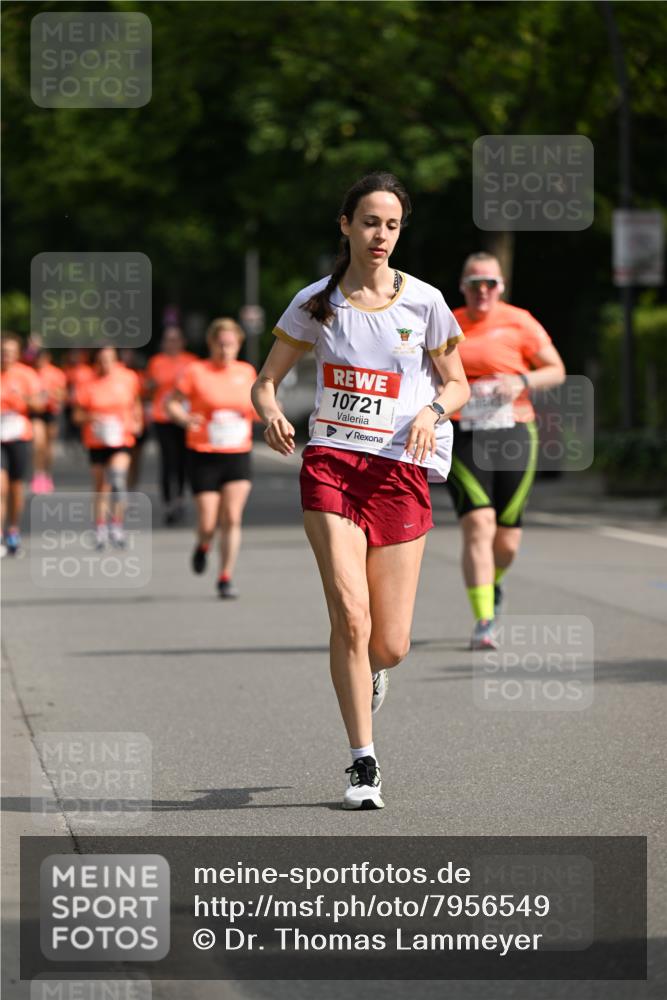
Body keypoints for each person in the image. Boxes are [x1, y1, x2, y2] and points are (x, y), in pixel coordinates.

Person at [251, 172, 470, 810]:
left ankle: (373, 669)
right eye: (370, 221)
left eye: (393, 225)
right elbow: (267, 379)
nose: (381, 235)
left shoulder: (425, 302)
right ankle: (363, 763)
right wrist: (269, 411)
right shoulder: (317, 301)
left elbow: (457, 383)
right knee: (349, 613)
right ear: (345, 225)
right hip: (332, 465)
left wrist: (433, 414)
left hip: (400, 471)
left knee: (390, 642)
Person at [446, 252, 566, 650]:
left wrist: (520, 380)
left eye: (490, 283)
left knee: (507, 540)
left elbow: (556, 369)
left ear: (501, 287)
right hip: (463, 433)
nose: (483, 290)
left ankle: (492, 584)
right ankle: (483, 620)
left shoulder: (520, 320)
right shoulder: (448, 322)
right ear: (463, 286)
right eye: (475, 283)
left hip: (514, 433)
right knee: (477, 524)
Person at [167, 318, 256, 598]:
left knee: (231, 517)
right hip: (204, 453)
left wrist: (272, 414)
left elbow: (257, 404)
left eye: (230, 344)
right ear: (211, 344)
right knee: (208, 522)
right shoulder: (196, 371)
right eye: (220, 344)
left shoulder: (247, 371)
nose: (225, 349)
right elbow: (171, 402)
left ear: (239, 345)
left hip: (238, 454)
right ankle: (203, 544)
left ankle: (225, 576)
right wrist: (183, 418)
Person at [72, 345, 143, 550]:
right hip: (96, 439)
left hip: (121, 437)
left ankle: (117, 525)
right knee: (101, 486)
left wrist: (138, 421)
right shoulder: (86, 383)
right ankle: (101, 528)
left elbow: (135, 402)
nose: (106, 364)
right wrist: (90, 417)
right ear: (96, 361)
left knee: (118, 479)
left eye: (110, 359)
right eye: (101, 360)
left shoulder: (128, 377)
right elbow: (76, 415)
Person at [145, 326, 197, 524]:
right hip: (163, 416)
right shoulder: (156, 362)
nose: (172, 343)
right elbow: (148, 388)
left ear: (182, 342)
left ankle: (180, 498)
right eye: (168, 339)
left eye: (175, 339)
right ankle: (168, 502)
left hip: (185, 417)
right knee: (168, 461)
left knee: (184, 461)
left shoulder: (191, 362)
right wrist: (150, 386)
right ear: (163, 343)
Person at [1, 332, 43, 555]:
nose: (5, 356)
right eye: (2, 352)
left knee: (16, 487)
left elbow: (39, 404)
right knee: (0, 486)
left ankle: (13, 529)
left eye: (9, 352)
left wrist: (24, 399)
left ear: (17, 354)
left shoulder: (26, 375)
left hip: (18, 434)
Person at [30, 348, 67, 493]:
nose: (40, 361)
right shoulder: (31, 373)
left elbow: (62, 394)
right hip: (36, 412)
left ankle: (47, 474)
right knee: (38, 444)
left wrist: (51, 394)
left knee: (49, 447)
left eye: (42, 358)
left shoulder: (56, 373)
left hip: (51, 411)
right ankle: (38, 475)